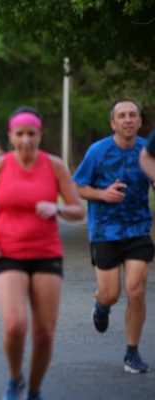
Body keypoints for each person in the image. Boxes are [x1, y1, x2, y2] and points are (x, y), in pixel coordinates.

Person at [0, 106, 85, 400]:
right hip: (9, 253)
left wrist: (57, 208)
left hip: (46, 253)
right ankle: (15, 378)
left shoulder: (54, 166)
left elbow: (78, 209)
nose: (26, 140)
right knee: (15, 325)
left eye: (32, 133)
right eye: (20, 134)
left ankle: (34, 389)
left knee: (44, 333)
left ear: (40, 134)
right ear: (10, 136)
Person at [73, 100, 153, 374]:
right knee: (111, 294)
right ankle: (101, 305)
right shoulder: (98, 151)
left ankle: (132, 353)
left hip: (138, 229)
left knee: (136, 290)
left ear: (139, 122)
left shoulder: (147, 151)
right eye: (122, 116)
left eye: (132, 115)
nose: (128, 120)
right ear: (113, 123)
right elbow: (77, 186)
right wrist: (102, 194)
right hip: (105, 231)